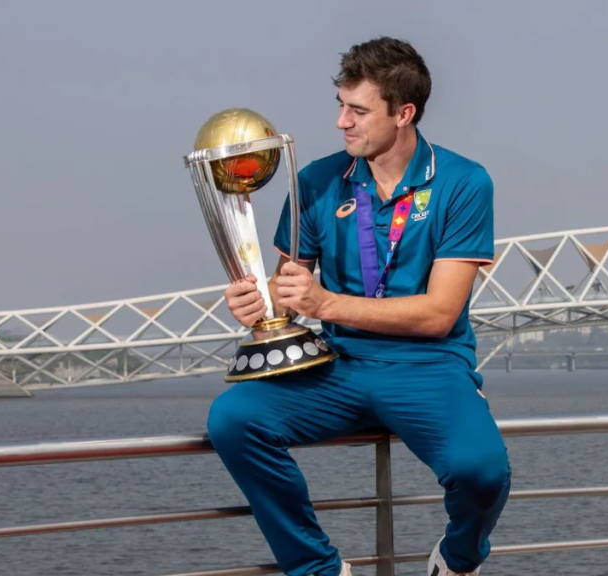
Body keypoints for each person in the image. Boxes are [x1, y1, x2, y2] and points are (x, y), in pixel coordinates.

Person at [207, 37, 511, 576]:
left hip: (428, 365)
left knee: (481, 471)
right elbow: (289, 293)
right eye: (340, 106)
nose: (342, 122)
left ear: (404, 113)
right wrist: (257, 302)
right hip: (337, 365)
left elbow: (439, 314)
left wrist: (326, 301)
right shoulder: (317, 180)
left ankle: (459, 558)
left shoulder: (464, 182)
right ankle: (318, 569)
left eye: (359, 110)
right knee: (234, 420)